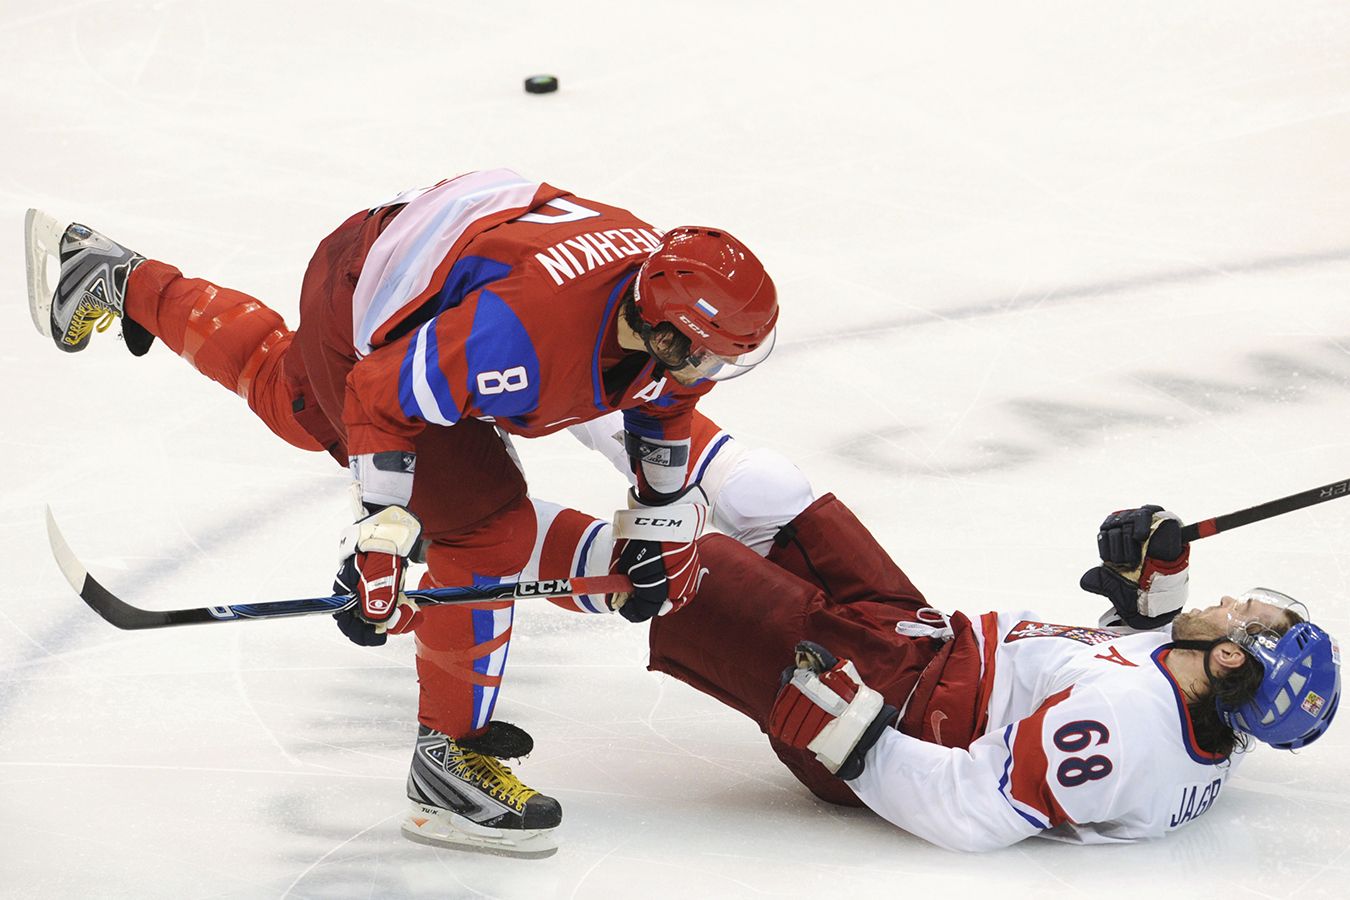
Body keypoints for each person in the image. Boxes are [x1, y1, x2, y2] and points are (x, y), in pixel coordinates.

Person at [22, 169, 778, 857]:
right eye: (707, 354)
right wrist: (378, 546)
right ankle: (447, 766)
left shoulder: (657, 306)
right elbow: (381, 394)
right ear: (663, 326)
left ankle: (117, 275)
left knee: (293, 396)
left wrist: (658, 516)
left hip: (403, 251)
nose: (710, 373)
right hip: (371, 297)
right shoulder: (525, 335)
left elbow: (666, 402)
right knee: (486, 527)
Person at [638, 472, 1342, 850]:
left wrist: (856, 743)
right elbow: (1140, 651)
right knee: (779, 496)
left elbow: (974, 809)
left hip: (890, 702)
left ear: (1226, 656)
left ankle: (533, 530)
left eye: (1244, 615)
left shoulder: (1122, 730)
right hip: (928, 647)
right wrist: (1157, 580)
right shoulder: (1222, 712)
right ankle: (629, 399)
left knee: (673, 567)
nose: (1228, 600)